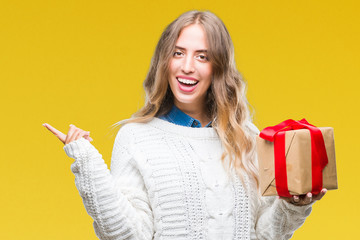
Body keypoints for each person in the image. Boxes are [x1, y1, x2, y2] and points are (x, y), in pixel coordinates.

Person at [43, 10, 326, 240]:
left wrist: (293, 205)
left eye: (202, 56)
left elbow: (266, 236)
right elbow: (129, 236)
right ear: (164, 62)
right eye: (178, 53)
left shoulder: (249, 138)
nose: (187, 66)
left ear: (218, 68)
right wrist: (88, 164)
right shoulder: (136, 137)